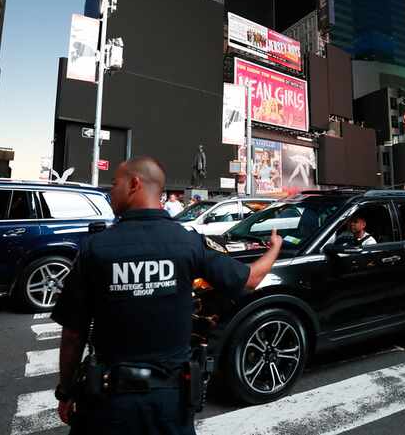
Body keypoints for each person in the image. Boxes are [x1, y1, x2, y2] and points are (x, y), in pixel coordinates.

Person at [51, 157, 282, 434]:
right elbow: (250, 279)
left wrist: (65, 392)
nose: (111, 191)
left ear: (135, 184)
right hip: (170, 404)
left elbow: (73, 334)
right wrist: (275, 248)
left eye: (115, 184)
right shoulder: (188, 242)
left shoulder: (95, 249)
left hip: (109, 404)